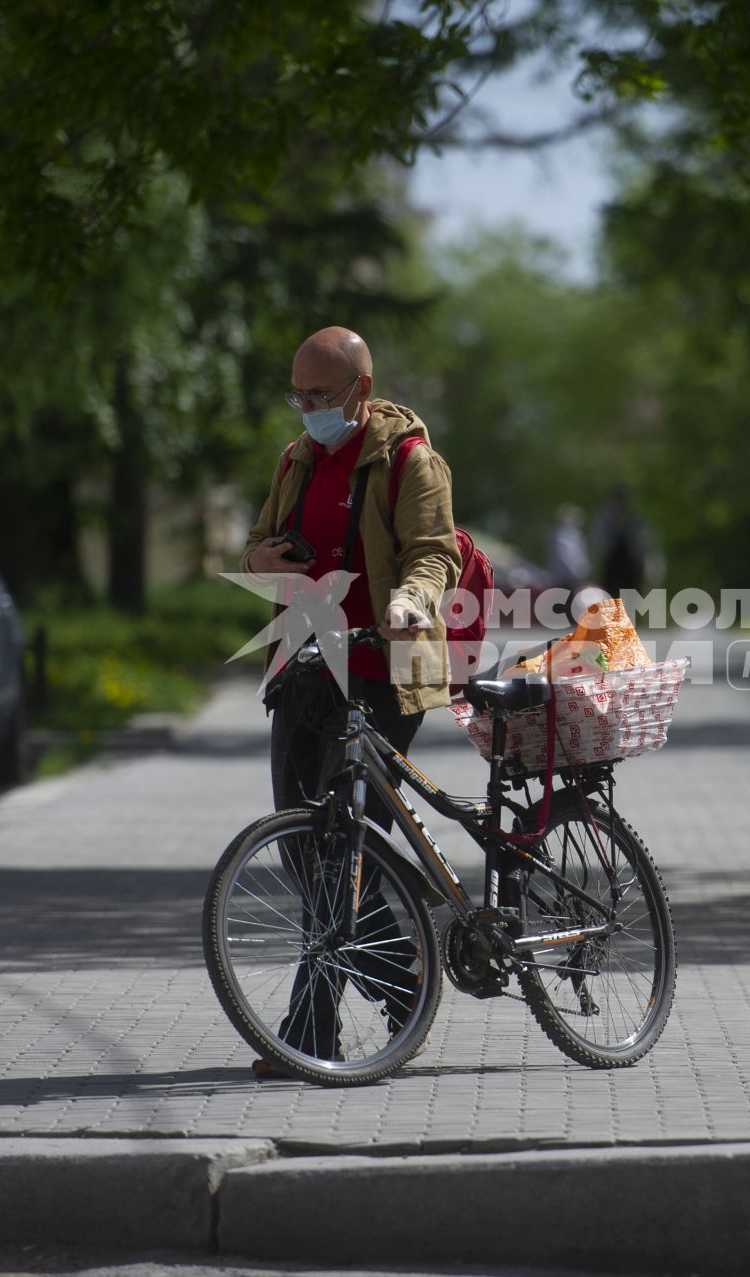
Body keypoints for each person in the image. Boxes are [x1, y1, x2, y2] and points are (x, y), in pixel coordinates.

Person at [240, 326, 462, 1065]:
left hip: (380, 673)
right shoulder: (296, 460)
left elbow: (437, 550)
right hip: (303, 669)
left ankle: (310, 1032)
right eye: (296, 394)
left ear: (361, 392)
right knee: (303, 849)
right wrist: (261, 557)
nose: (305, 409)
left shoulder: (410, 459)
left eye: (319, 396)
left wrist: (410, 600)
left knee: (340, 855)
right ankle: (407, 983)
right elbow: (260, 540)